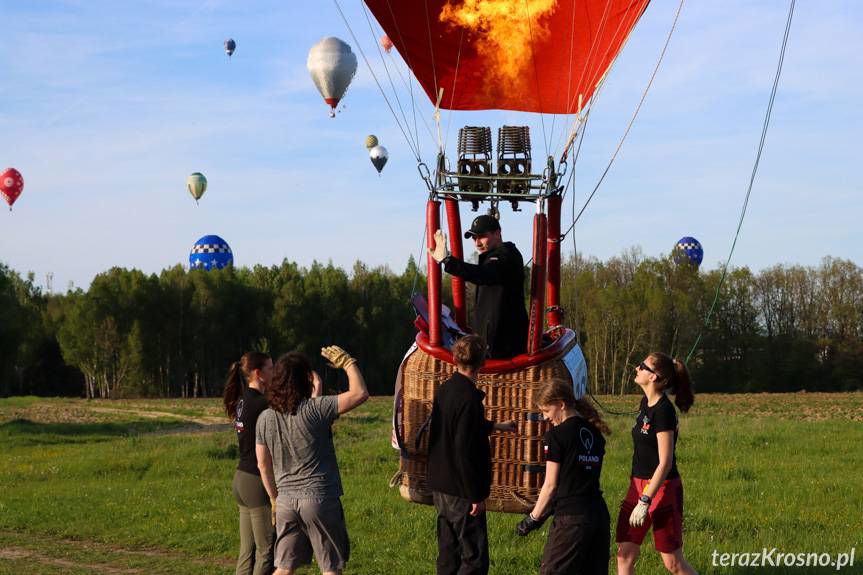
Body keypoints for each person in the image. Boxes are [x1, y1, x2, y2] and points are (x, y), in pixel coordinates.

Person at [255, 346, 368, 575]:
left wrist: (275, 499)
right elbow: (359, 393)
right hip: (319, 498)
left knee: (284, 567)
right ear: (305, 379)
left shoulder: (265, 417)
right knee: (330, 567)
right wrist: (348, 363)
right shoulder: (316, 409)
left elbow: (263, 464)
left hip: (286, 501)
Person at [426, 334, 517, 575]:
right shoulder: (469, 398)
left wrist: (498, 426)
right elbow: (463, 448)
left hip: (440, 484)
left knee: (448, 552)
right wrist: (475, 495)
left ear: (455, 359)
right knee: (474, 558)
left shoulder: (446, 389)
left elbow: (459, 425)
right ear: (483, 363)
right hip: (461, 489)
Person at [515, 379, 612, 575]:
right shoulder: (595, 433)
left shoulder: (557, 436)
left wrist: (533, 518)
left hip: (572, 520)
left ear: (561, 404)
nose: (544, 418)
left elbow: (550, 485)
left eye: (547, 411)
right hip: (598, 516)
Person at [615, 353, 697, 575]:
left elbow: (665, 462)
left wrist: (645, 500)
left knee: (673, 564)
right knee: (624, 556)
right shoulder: (645, 403)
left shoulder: (664, 412)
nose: (636, 368)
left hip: (661, 488)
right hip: (637, 485)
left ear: (654, 377)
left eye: (642, 366)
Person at [429, 214, 529, 358]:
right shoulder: (495, 256)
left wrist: (448, 261)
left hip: (505, 346)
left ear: (497, 233)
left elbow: (484, 274)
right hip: (494, 342)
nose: (477, 243)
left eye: (481, 236)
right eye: (474, 238)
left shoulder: (506, 256)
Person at [223, 352, 275, 575]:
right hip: (255, 481)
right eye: (270, 368)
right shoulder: (262, 404)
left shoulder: (243, 400)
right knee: (267, 550)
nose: (274, 373)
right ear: (258, 373)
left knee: (247, 550)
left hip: (241, 479)